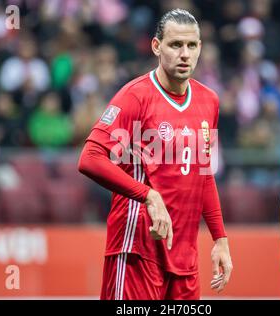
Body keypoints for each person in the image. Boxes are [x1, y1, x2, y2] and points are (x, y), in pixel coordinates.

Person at [78, 9, 232, 300]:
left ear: (200, 47)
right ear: (156, 46)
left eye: (192, 45)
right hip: (138, 248)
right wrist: (148, 195)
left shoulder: (209, 101)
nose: (184, 54)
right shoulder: (135, 96)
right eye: (175, 45)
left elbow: (203, 174)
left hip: (185, 256)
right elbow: (90, 158)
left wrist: (220, 238)